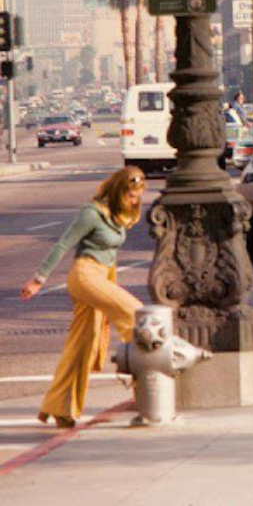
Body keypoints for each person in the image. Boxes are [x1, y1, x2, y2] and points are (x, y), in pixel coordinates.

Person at [20, 167, 147, 428]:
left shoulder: (117, 214)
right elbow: (63, 244)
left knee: (82, 346)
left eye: (137, 196)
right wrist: (38, 280)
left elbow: (111, 255)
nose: (135, 200)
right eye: (131, 195)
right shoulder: (91, 213)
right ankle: (145, 386)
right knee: (136, 314)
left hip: (101, 276)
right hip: (85, 275)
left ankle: (60, 407)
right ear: (118, 190)